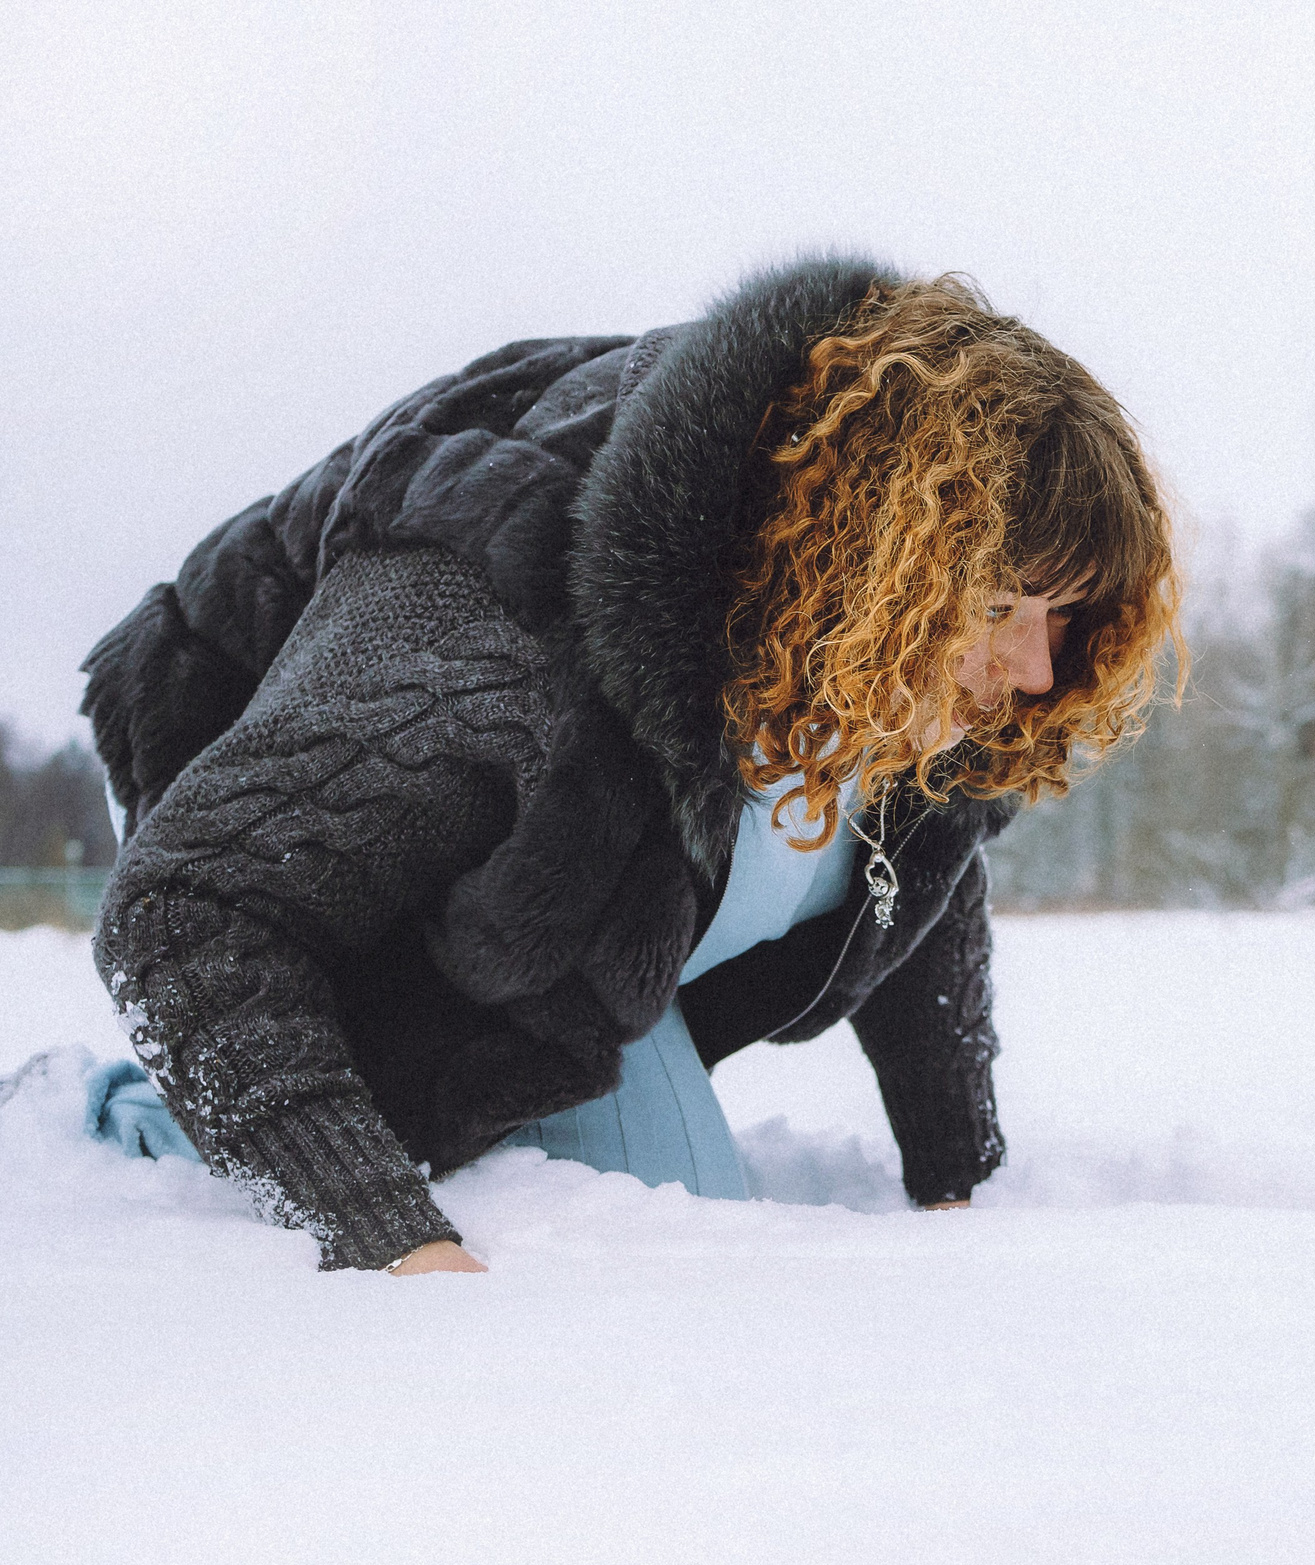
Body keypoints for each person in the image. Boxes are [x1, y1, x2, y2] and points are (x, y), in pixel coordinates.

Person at [78, 257, 1182, 1274]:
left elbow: (921, 876)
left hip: (580, 874)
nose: (1038, 670)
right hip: (310, 837)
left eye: (1059, 613)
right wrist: (391, 1241)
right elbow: (188, 910)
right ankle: (134, 1119)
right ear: (867, 557)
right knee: (651, 1242)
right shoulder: (488, 627)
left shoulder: (886, 660)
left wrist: (956, 1182)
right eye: (998, 607)